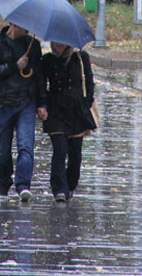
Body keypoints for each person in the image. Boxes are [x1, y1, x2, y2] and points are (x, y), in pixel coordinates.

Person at [0, 23, 47, 202]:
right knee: (2, 149)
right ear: (13, 24)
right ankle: (4, 183)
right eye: (23, 25)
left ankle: (23, 185)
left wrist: (42, 102)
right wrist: (15, 66)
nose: (27, 29)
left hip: (26, 102)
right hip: (3, 103)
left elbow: (39, 76)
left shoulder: (32, 45)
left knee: (26, 145)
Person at [41, 41, 96, 203]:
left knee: (75, 154)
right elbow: (41, 85)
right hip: (56, 111)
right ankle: (59, 189)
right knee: (60, 150)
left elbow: (89, 81)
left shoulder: (80, 57)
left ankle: (70, 185)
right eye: (54, 42)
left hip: (77, 111)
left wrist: (87, 102)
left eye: (61, 42)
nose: (57, 45)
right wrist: (42, 105)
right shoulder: (47, 60)